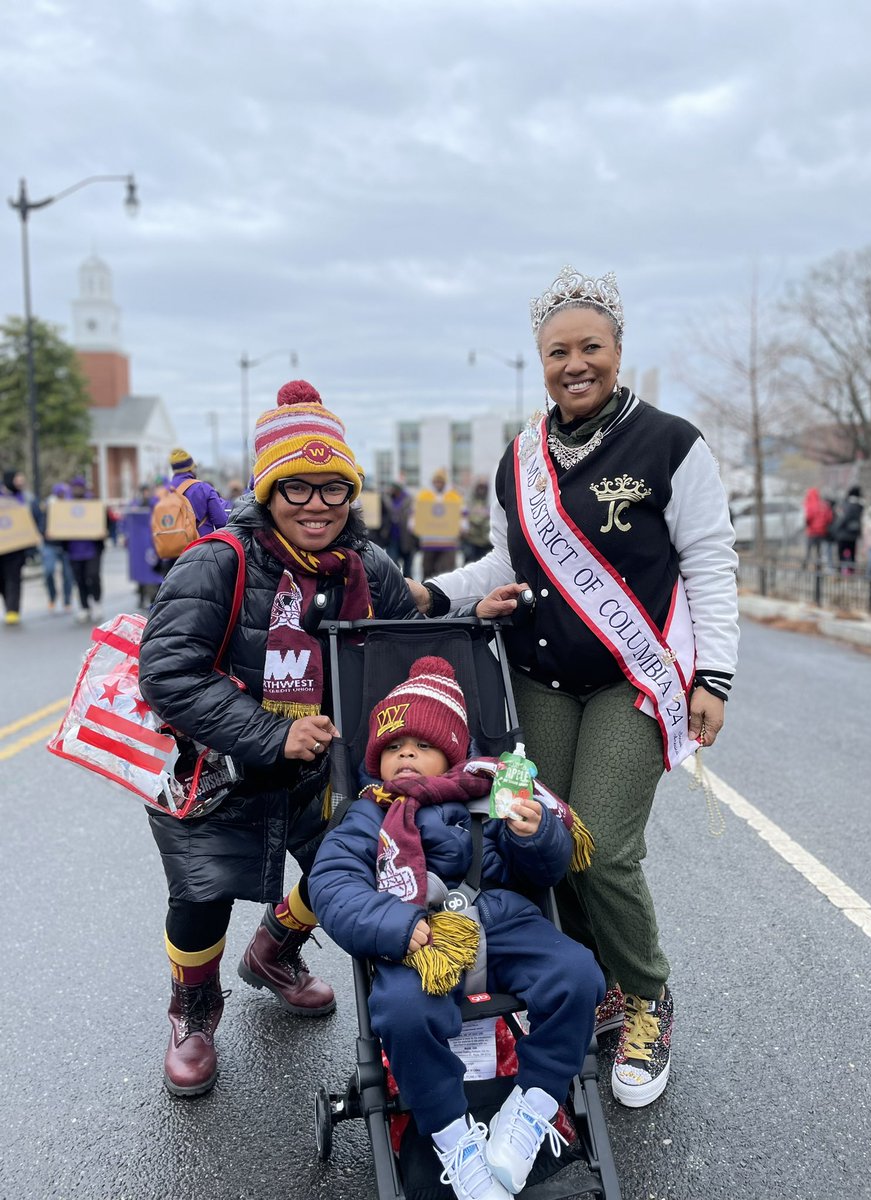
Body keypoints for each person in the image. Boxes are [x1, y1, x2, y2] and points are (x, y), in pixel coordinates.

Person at [405, 264, 740, 1109]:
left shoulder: (671, 443)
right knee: (541, 839)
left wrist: (715, 675)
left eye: (591, 346)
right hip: (538, 678)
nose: (575, 363)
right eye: (559, 351)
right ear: (542, 359)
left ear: (619, 350)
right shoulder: (519, 459)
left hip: (633, 680)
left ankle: (650, 995)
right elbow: (503, 561)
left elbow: (710, 561)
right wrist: (435, 594)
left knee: (604, 842)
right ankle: (603, 985)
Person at [138, 380, 422, 1098]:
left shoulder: (368, 567)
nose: (317, 504)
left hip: (321, 772)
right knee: (201, 896)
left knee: (351, 872)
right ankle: (193, 1009)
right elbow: (167, 674)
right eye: (297, 487)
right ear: (268, 492)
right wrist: (271, 734)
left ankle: (274, 951)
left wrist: (472, 608)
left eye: (334, 488)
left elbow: (407, 637)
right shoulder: (219, 561)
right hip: (217, 770)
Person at [309, 656, 604, 1200]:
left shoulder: (489, 797)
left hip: (500, 921)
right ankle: (455, 1141)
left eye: (418, 746)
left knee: (579, 974)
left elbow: (541, 873)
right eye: (392, 748)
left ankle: (533, 1104)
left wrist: (534, 837)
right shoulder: (369, 815)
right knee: (400, 1011)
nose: (403, 755)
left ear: (452, 751)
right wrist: (395, 924)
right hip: (417, 942)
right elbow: (332, 883)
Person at [155, 449, 229, 574]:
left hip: (171, 556)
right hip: (201, 553)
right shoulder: (204, 488)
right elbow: (222, 522)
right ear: (191, 469)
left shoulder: (163, 493)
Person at [66, 475, 106, 623]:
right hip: (73, 549)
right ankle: (84, 607)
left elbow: (105, 520)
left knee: (93, 575)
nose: (77, 490)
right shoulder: (65, 506)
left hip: (92, 549)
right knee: (80, 580)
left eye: (79, 487)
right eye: (74, 487)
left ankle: (96, 601)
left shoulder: (93, 503)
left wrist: (103, 530)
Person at [414, 469, 462, 578]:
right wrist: (415, 527)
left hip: (448, 543)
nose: (438, 484)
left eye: (441, 481)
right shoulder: (424, 495)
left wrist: (462, 527)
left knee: (447, 572)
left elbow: (462, 514)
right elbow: (416, 514)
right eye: (436, 481)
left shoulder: (453, 496)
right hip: (429, 542)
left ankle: (445, 594)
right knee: (427, 571)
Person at [0, 470, 32, 626]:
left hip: (17, 549)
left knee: (14, 579)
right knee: (2, 580)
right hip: (2, 548)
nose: (20, 482)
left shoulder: (25, 498)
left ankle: (13, 610)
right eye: (17, 479)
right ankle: (9, 606)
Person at [41, 482, 75, 613]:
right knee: (48, 571)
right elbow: (41, 522)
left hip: (66, 545)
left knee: (68, 575)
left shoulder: (70, 506)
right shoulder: (49, 507)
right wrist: (45, 531)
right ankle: (52, 597)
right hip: (50, 544)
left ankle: (67, 600)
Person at [378, 480, 416, 577]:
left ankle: (410, 588)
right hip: (392, 537)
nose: (390, 490)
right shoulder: (388, 499)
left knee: (408, 566)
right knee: (392, 564)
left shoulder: (409, 500)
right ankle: (395, 585)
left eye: (392, 488)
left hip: (407, 537)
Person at [830, 485, 864, 574]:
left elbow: (843, 518)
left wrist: (834, 529)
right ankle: (851, 571)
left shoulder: (847, 504)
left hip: (843, 534)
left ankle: (840, 571)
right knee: (852, 555)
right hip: (853, 535)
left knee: (841, 554)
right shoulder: (860, 506)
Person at [461, 478, 492, 563]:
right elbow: (466, 518)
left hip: (486, 542)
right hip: (471, 541)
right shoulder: (469, 502)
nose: (481, 490)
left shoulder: (490, 502)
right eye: (480, 487)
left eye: (484, 487)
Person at [803, 487, 832, 568]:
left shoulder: (810, 505)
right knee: (818, 551)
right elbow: (829, 517)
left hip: (812, 532)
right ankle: (818, 566)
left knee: (809, 550)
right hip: (821, 532)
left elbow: (808, 517)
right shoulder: (823, 505)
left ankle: (805, 565)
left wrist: (808, 524)